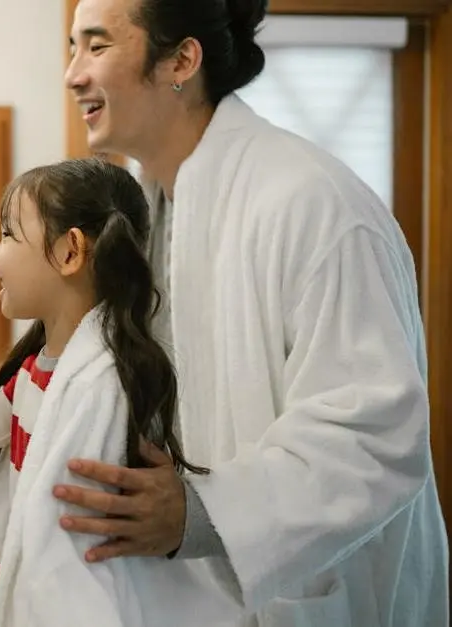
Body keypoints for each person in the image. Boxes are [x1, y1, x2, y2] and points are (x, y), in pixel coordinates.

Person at [53, 0, 448, 624]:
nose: (73, 74)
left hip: (327, 602)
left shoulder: (311, 203)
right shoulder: (152, 218)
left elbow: (375, 436)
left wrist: (201, 512)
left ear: (181, 59)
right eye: (73, 48)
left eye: (97, 47)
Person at [0, 159, 215, 626]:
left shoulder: (99, 384)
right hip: (26, 574)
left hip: (59, 598)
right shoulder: (36, 371)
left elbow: (73, 551)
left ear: (70, 252)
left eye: (8, 235)